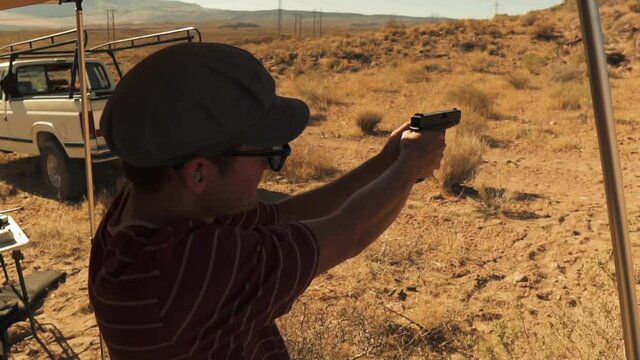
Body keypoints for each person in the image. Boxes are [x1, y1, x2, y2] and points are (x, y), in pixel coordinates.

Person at [88, 42, 446, 360]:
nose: (269, 168)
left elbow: (281, 217)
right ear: (198, 173)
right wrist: (408, 168)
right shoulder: (186, 268)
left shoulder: (142, 213)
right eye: (268, 154)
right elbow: (351, 232)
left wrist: (385, 163)